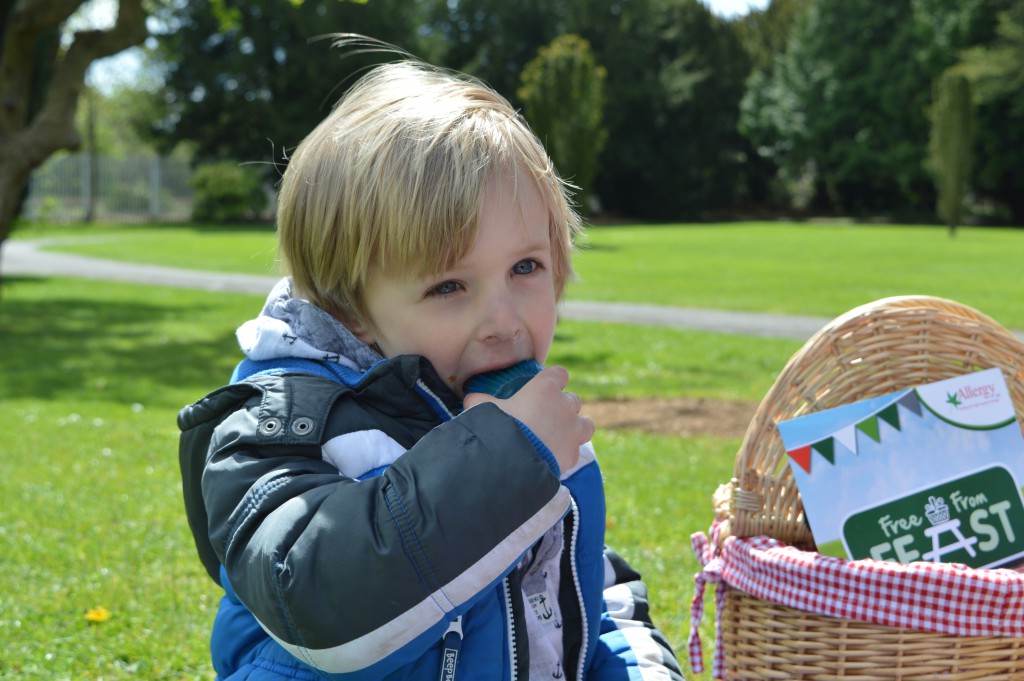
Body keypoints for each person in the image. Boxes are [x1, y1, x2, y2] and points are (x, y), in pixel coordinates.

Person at [178, 48, 683, 681]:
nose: (503, 321)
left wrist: (644, 671)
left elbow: (587, 590)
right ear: (350, 307)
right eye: (448, 286)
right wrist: (509, 459)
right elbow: (317, 606)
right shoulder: (283, 425)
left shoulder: (527, 420)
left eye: (525, 268)